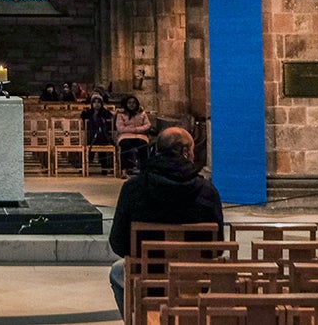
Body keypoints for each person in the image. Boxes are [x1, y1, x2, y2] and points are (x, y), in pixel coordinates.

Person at [106, 127, 225, 315]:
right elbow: (217, 247)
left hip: (147, 279)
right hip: (193, 280)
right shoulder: (207, 191)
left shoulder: (133, 188)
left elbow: (118, 243)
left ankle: (137, 319)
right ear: (186, 152)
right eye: (193, 150)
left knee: (116, 271)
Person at [115, 94, 153, 175]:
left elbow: (147, 125)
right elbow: (120, 127)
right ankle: (124, 169)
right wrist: (133, 130)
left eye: (133, 103)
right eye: (129, 102)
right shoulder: (121, 114)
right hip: (125, 135)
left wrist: (136, 130)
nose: (131, 105)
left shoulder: (142, 113)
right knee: (125, 145)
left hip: (140, 135)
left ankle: (144, 169)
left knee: (142, 145)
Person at [82, 94, 115, 172]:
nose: (97, 104)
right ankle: (86, 166)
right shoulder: (89, 112)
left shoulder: (105, 112)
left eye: (98, 102)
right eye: (95, 102)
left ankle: (104, 167)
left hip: (103, 135)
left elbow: (110, 121)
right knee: (89, 146)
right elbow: (84, 118)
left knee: (102, 147)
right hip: (91, 135)